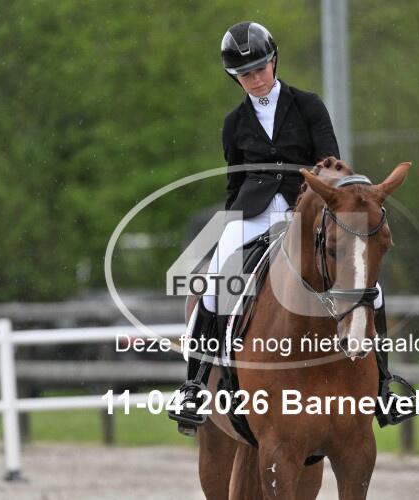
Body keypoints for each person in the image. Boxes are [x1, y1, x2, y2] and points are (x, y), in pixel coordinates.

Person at [168, 21, 403, 435]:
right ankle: (195, 385)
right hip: (253, 212)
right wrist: (232, 223)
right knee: (214, 284)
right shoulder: (234, 122)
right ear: (235, 78)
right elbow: (235, 180)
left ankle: (384, 384)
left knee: (373, 288)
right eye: (245, 74)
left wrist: (327, 207)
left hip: (307, 211)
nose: (256, 79)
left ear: (274, 61)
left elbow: (331, 164)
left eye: (260, 69)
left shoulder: (307, 105)